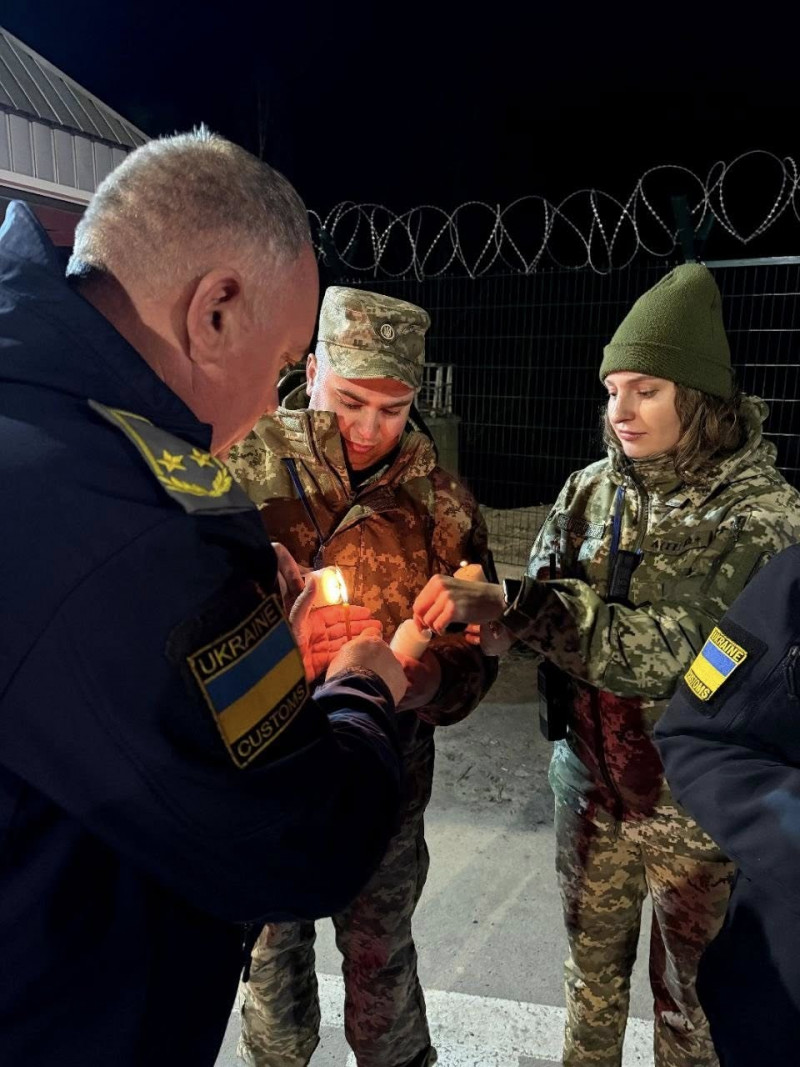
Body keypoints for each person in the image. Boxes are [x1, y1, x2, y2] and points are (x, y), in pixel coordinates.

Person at [0, 131, 410, 1067]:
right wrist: (360, 691)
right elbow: (298, 840)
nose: (272, 410)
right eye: (282, 368)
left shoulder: (35, 422)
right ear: (216, 311)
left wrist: (243, 631)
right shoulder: (136, 522)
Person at [413, 263, 800, 1066]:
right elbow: (535, 593)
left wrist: (526, 609)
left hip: (698, 809)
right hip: (589, 786)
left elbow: (688, 655)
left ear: (699, 396)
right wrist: (491, 628)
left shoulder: (764, 518)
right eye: (613, 389)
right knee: (589, 981)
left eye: (647, 389)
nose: (620, 411)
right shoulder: (590, 489)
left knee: (693, 1003)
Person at [227, 285, 498, 1067]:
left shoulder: (440, 502)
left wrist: (418, 683)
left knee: (382, 959)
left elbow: (473, 656)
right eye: (350, 401)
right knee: (271, 962)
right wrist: (285, 651)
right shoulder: (244, 464)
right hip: (269, 772)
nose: (370, 429)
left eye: (393, 407)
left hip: (387, 777)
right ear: (312, 370)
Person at [656, 543, 800, 1066]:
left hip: (692, 841)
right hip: (781, 1002)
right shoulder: (794, 581)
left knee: (680, 1005)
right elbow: (701, 733)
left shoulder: (765, 509)